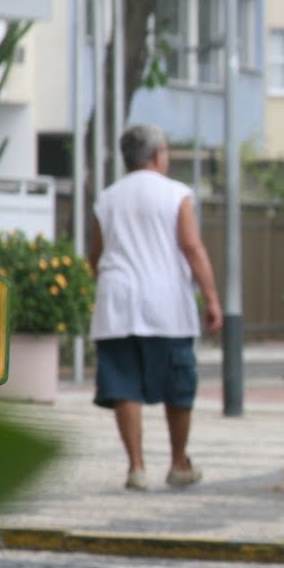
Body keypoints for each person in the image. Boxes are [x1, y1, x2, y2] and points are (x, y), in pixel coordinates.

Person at [89, 125, 223, 491]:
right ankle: (179, 463)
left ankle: (136, 467)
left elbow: (95, 256)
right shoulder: (177, 194)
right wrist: (211, 298)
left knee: (123, 385)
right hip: (167, 304)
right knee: (178, 383)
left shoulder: (107, 198)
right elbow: (192, 247)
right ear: (158, 154)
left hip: (117, 304)